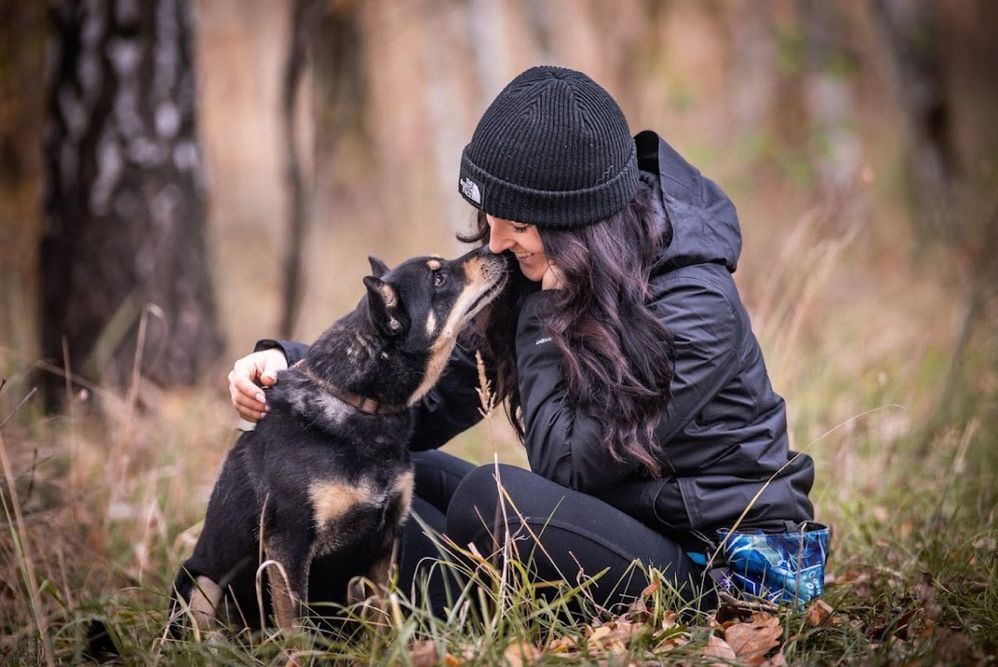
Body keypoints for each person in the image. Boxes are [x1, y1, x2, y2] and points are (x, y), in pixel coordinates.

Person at [228, 66, 819, 613]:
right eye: (490, 216)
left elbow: (571, 468)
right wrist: (291, 369)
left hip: (723, 566)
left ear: (578, 225)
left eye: (518, 224)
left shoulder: (694, 306)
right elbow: (430, 396)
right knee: (387, 467)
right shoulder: (538, 267)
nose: (495, 242)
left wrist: (541, 314)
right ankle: (299, 600)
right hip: (620, 527)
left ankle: (428, 606)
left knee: (491, 499)